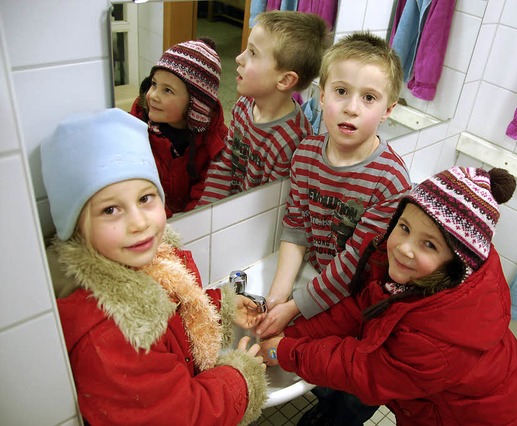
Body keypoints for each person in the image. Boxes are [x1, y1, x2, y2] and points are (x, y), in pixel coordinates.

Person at [258, 166, 517, 425]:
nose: (404, 248)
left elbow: (365, 371)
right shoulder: (410, 277)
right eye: (404, 228)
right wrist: (292, 334)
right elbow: (359, 309)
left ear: (457, 262)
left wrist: (283, 351)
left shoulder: (437, 336)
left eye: (428, 244)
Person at [40, 108, 267, 425]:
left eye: (146, 198)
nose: (138, 222)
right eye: (110, 209)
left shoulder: (146, 262)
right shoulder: (112, 333)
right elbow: (182, 416)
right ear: (75, 226)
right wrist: (241, 378)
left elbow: (171, 321)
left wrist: (221, 305)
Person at [255, 31, 412, 424]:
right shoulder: (306, 154)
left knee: (352, 385)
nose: (352, 109)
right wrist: (277, 296)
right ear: (320, 95)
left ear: (388, 110)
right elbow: (296, 228)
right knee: (322, 373)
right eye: (341, 91)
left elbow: (353, 266)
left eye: (369, 98)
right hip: (325, 283)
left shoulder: (389, 179)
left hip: (364, 297)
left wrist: (293, 307)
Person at [198, 11, 328, 202]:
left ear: (285, 80)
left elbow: (270, 208)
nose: (239, 58)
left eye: (252, 53)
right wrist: (206, 208)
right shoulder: (244, 105)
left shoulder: (293, 141)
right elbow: (226, 165)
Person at [131, 37, 227, 217]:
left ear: (195, 105)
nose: (153, 96)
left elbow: (205, 194)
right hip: (151, 217)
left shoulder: (214, 141)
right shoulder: (136, 126)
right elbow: (138, 185)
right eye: (154, 84)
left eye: (167, 90)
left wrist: (185, 223)